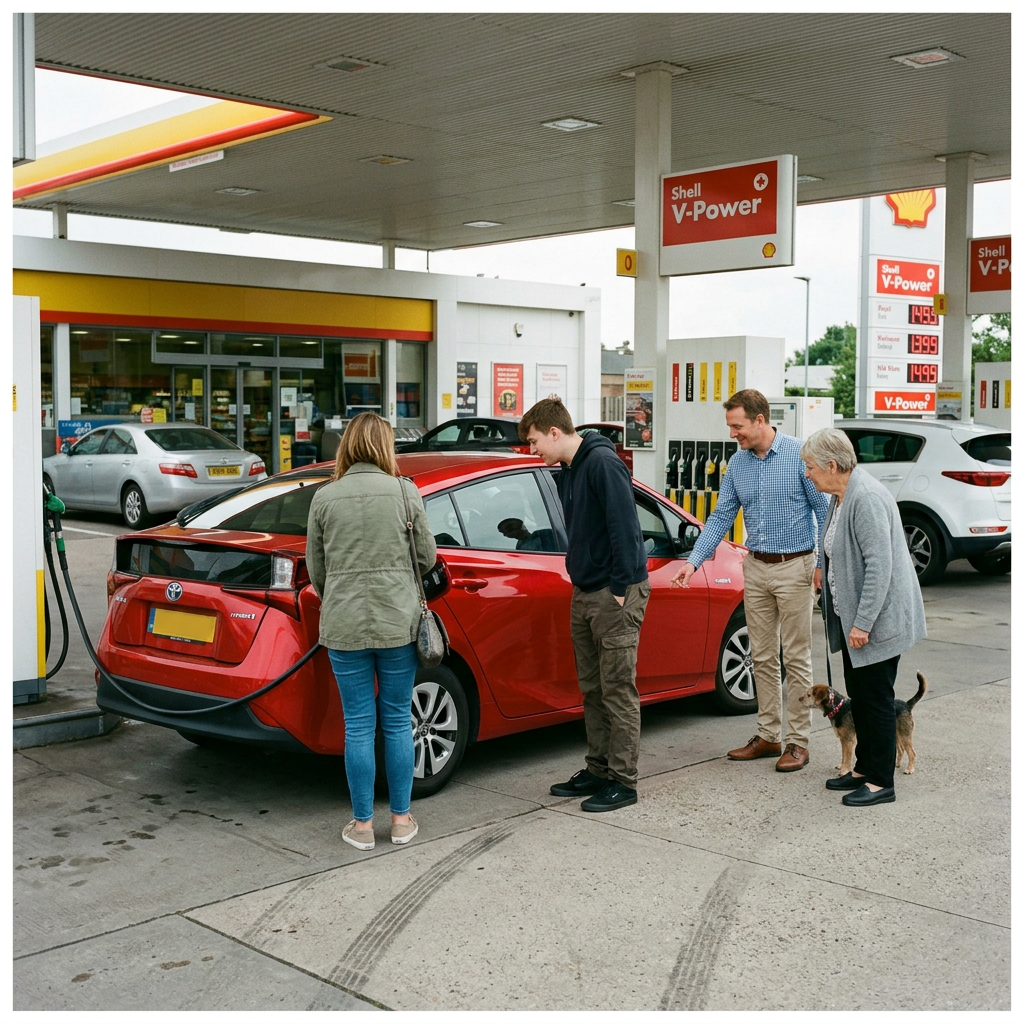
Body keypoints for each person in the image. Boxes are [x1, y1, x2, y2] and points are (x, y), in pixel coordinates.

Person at [670, 389, 829, 772]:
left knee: (795, 657)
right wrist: (692, 563)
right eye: (730, 426)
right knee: (760, 656)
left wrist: (823, 564)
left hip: (795, 566)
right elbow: (722, 517)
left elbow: (824, 512)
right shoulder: (738, 464)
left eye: (737, 426)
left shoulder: (798, 456)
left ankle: (798, 742)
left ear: (760, 420)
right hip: (755, 567)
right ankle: (768, 735)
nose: (732, 434)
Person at [306, 412, 437, 850]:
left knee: (358, 724)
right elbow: (428, 556)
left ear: (346, 447)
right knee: (398, 719)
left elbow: (316, 571)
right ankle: (401, 820)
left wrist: (341, 593)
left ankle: (362, 827)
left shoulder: (324, 497)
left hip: (343, 624)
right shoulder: (404, 493)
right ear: (385, 446)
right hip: (397, 621)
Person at [519, 397, 651, 812]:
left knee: (617, 691)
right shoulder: (571, 469)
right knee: (593, 690)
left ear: (554, 432)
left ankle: (624, 782)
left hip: (613, 593)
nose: (532, 449)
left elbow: (626, 527)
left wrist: (618, 586)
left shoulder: (602, 464)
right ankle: (598, 770)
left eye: (535, 440)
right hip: (585, 590)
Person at [801, 427, 926, 806]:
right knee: (860, 692)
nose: (807, 474)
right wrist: (824, 567)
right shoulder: (839, 496)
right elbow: (837, 544)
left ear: (832, 465)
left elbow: (879, 566)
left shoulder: (866, 497)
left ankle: (880, 780)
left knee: (875, 698)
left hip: (878, 622)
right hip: (858, 620)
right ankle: (863, 767)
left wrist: (863, 622)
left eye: (810, 467)